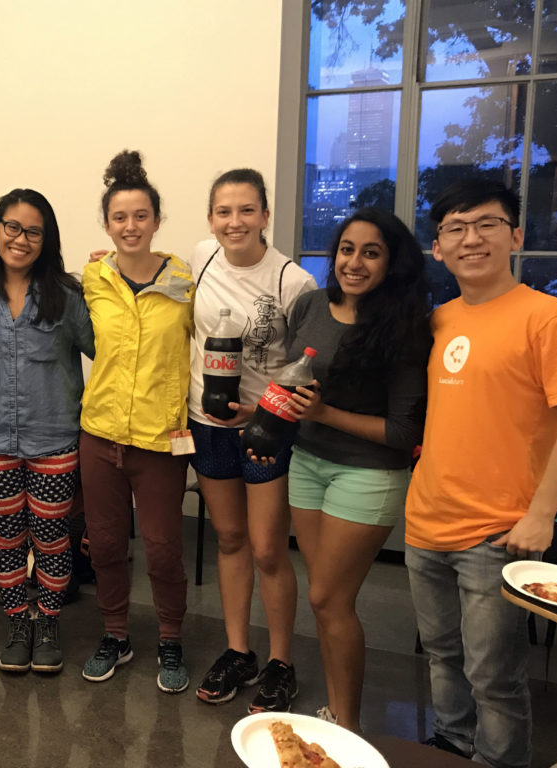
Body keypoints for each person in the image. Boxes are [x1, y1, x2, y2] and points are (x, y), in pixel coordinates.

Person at [405, 179, 557, 768]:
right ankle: (452, 744)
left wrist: (542, 515)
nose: (472, 239)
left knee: (493, 675)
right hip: (425, 523)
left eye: (487, 224)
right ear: (437, 247)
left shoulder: (547, 318)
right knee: (440, 656)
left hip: (499, 533)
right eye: (455, 229)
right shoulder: (438, 321)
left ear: (515, 235)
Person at [284, 208, 430, 731]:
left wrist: (324, 414)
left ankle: (346, 725)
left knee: (329, 596)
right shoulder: (310, 306)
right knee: (325, 600)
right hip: (307, 463)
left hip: (368, 473)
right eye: (347, 249)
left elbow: (402, 433)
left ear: (391, 263)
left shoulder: (405, 326)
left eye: (371, 252)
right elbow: (292, 382)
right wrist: (257, 415)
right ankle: (334, 710)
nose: (355, 262)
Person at [190, 169, 316, 713]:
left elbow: (307, 369)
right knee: (231, 540)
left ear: (266, 216)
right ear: (211, 219)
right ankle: (238, 650)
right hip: (206, 422)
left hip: (264, 431)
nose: (234, 222)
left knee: (268, 549)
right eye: (223, 211)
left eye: (246, 210)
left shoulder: (293, 282)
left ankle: (281, 662)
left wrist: (264, 409)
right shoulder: (201, 257)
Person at [80, 150, 196, 694]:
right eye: (120, 217)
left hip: (160, 439)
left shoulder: (185, 282)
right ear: (107, 224)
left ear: (156, 220)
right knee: (103, 544)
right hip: (99, 433)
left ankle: (170, 637)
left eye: (141, 215)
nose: (131, 226)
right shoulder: (93, 277)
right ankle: (116, 633)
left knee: (163, 547)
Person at [0, 189, 94, 673]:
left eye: (33, 230)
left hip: (54, 437)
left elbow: (105, 353)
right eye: (11, 227)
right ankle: (18, 623)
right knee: (5, 537)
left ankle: (49, 621)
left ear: (47, 238)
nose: (20, 239)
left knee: (52, 536)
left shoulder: (69, 294)